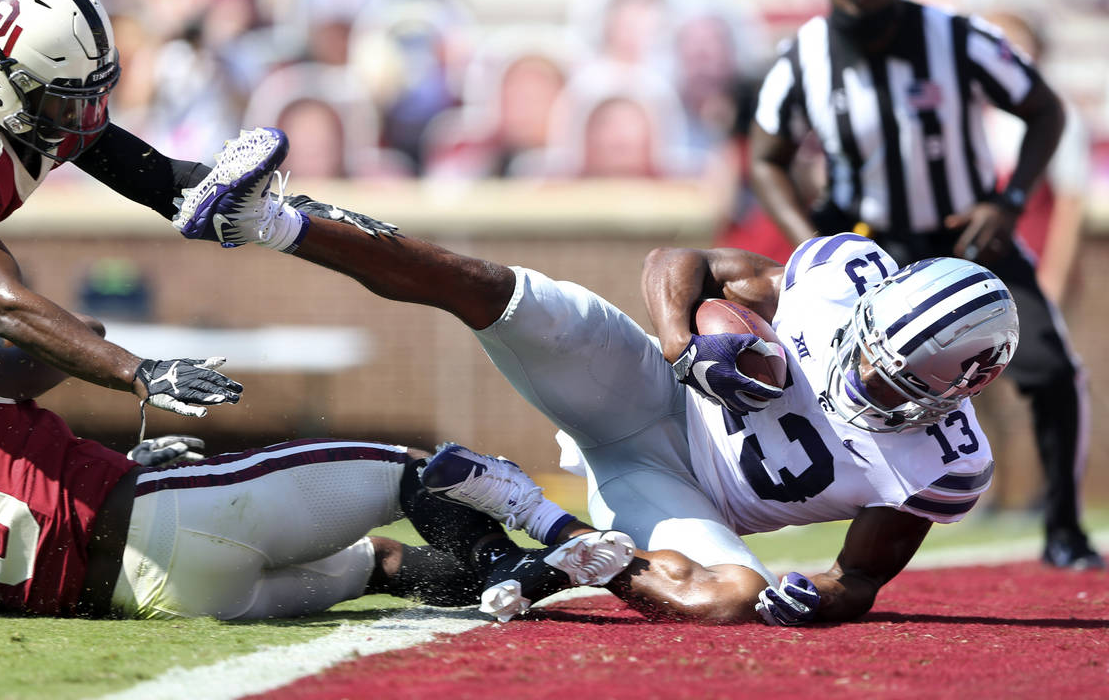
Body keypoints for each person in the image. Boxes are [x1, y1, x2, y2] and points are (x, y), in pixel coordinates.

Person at [171, 130, 1024, 625]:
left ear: (955, 391)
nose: (859, 371)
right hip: (649, 389)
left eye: (888, 381)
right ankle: (274, 220)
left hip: (679, 496)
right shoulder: (840, 281)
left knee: (729, 600)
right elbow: (675, 260)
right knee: (494, 292)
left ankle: (531, 512)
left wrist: (812, 598)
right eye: (865, 347)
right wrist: (684, 343)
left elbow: (858, 581)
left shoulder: (946, 463)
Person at [747, 0, 1101, 570]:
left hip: (963, 234)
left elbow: (1043, 109)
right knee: (814, 370)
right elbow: (765, 154)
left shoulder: (957, 37)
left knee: (1052, 371)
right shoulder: (806, 54)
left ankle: (1063, 528)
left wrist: (1010, 199)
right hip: (865, 241)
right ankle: (804, 502)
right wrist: (810, 241)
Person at [0, 315, 635, 619]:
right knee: (411, 471)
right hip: (163, 513)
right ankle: (519, 558)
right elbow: (66, 344)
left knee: (381, 565)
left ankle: (528, 579)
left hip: (151, 601)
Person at [0, 0, 385, 420]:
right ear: (0, 78)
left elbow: (138, 169)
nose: (81, 118)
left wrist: (273, 213)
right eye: (61, 100)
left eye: (89, 95)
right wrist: (137, 371)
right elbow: (3, 302)